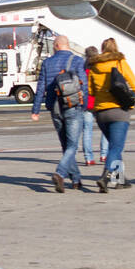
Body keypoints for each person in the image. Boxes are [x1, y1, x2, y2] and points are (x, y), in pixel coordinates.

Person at [30, 35, 88, 193]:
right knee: (73, 145)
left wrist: (35, 110)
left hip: (55, 107)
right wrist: (84, 105)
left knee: (66, 145)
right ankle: (60, 173)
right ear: (67, 45)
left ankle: (76, 179)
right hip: (73, 106)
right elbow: (84, 84)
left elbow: (41, 87)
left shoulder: (47, 63)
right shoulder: (77, 61)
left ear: (55, 46)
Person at [87, 37, 135, 193]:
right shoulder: (119, 62)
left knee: (114, 148)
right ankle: (105, 176)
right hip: (118, 111)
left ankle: (119, 180)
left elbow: (91, 91)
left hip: (101, 113)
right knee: (116, 147)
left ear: (102, 49)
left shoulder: (94, 66)